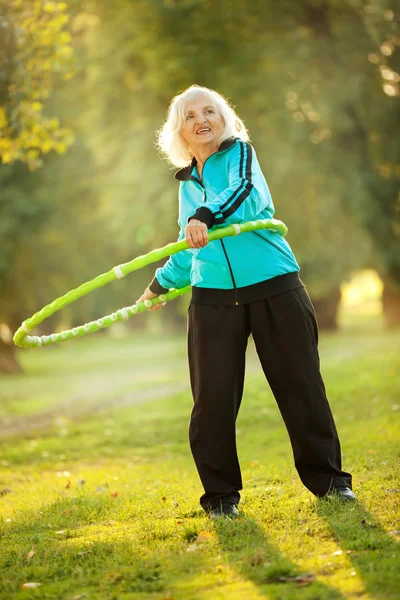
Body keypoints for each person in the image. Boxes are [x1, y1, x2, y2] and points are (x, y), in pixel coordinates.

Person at [137, 84, 355, 518]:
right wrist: (159, 285)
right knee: (211, 401)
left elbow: (238, 194)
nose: (202, 120)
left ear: (224, 118)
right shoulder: (185, 188)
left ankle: (331, 483)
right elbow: (191, 245)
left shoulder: (240, 155)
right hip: (212, 300)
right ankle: (220, 498)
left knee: (302, 388)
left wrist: (204, 216)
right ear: (178, 130)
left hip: (274, 286)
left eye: (210, 111)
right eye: (191, 115)